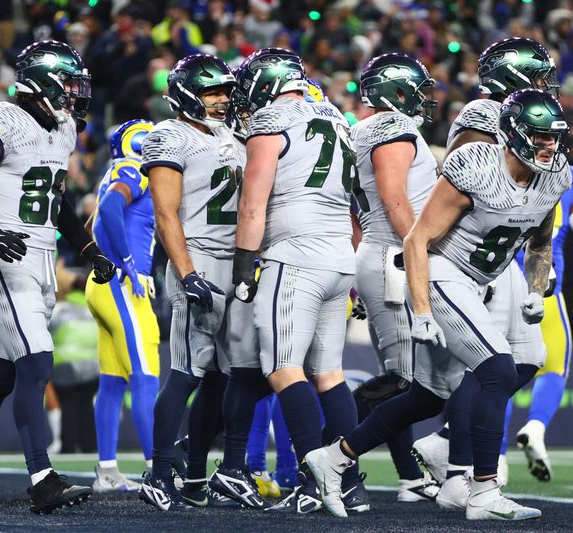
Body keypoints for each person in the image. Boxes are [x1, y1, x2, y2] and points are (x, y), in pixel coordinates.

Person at [305, 89, 572, 521]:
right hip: (442, 271)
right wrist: (424, 311)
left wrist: (536, 291)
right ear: (513, 134)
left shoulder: (555, 174)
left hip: (484, 277)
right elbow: (417, 239)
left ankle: (335, 458)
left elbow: (541, 240)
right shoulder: (476, 167)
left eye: (553, 137)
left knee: (432, 395)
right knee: (497, 369)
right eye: (539, 137)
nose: (549, 146)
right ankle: (482, 491)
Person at [0, 40, 115, 515]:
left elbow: (55, 202)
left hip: (40, 260)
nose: (75, 95)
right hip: (4, 258)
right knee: (36, 365)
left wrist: (89, 247)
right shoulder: (1, 119)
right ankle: (42, 479)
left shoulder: (64, 127)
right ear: (42, 81)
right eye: (69, 84)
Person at [411, 36, 563, 494]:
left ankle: (445, 441)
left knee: (529, 357)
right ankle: (462, 470)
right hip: (466, 254)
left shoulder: (530, 119)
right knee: (489, 365)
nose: (546, 85)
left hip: (502, 253)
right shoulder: (484, 115)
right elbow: (470, 187)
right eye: (537, 75)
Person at [232, 47, 366, 515]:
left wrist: (243, 267)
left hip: (295, 254)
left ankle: (316, 477)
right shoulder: (336, 117)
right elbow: (355, 205)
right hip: (339, 255)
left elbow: (252, 205)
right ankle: (351, 484)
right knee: (329, 373)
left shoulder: (270, 121)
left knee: (283, 367)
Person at [137, 53, 249, 511]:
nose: (222, 100)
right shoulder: (169, 135)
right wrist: (187, 272)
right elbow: (166, 213)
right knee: (186, 372)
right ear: (186, 93)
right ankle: (159, 472)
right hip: (198, 258)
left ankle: (199, 474)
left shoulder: (235, 135)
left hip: (237, 262)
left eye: (225, 91)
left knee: (228, 376)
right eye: (212, 92)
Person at [348, 52, 440, 503]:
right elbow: (394, 200)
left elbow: (356, 210)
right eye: (416, 90)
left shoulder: (365, 129)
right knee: (404, 380)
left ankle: (410, 477)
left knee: (404, 377)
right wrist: (421, 251)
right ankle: (331, 448)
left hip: (382, 254)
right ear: (395, 91)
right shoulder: (390, 128)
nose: (423, 99)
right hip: (395, 258)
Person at [506, 165, 573, 482]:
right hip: (546, 289)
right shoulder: (568, 177)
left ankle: (493, 461)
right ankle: (536, 426)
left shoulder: (499, 164)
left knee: (495, 376)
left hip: (501, 287)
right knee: (554, 368)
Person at [85, 119, 160, 492]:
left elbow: (96, 221)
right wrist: (129, 264)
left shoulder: (113, 169)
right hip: (121, 283)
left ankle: (108, 471)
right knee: (145, 376)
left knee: (112, 381)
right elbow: (112, 209)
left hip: (102, 282)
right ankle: (157, 471)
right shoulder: (134, 170)